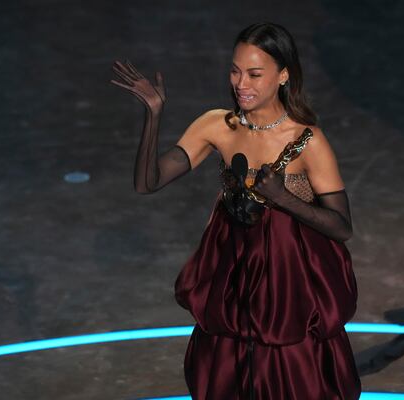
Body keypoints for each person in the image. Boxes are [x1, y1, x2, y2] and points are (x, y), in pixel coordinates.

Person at [111, 22, 361, 400]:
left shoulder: (306, 140)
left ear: (283, 75)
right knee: (230, 369)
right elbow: (148, 182)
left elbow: (342, 228)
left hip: (287, 276)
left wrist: (285, 198)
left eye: (255, 74)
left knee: (288, 369)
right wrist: (154, 114)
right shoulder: (217, 126)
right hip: (233, 267)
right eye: (235, 70)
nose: (241, 83)